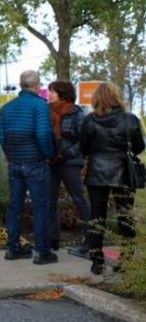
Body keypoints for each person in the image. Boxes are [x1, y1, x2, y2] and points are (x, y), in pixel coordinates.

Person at [79, 82, 145, 275]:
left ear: (96, 98)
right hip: (123, 172)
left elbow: (84, 149)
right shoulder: (130, 119)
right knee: (125, 216)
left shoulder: (90, 120)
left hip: (97, 173)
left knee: (97, 217)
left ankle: (96, 261)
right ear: (117, 97)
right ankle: (125, 258)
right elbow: (140, 147)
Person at [0, 70, 57, 264]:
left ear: (21, 84)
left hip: (14, 164)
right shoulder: (39, 106)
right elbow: (43, 134)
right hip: (35, 163)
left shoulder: (7, 108)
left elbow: (2, 136)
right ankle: (42, 251)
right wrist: (49, 154)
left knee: (14, 206)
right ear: (37, 85)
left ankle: (13, 248)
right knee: (40, 206)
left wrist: (11, 154)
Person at [46, 81, 91, 257]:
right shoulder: (46, 111)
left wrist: (67, 153)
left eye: (52, 91)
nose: (49, 94)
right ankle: (52, 240)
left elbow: (83, 140)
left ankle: (90, 238)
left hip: (70, 162)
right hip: (51, 162)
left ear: (63, 94)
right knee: (50, 201)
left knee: (79, 199)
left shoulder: (76, 113)